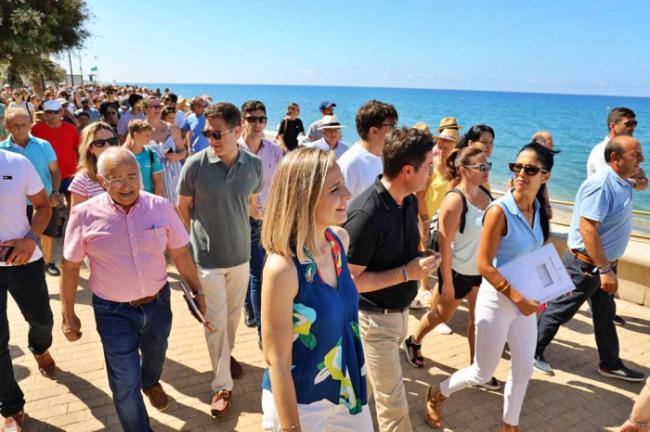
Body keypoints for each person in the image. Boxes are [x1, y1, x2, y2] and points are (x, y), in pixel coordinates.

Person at [60, 147, 205, 432]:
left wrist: (198, 293)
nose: (127, 185)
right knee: (124, 382)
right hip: (112, 312)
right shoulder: (83, 215)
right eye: (117, 179)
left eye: (132, 176)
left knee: (156, 354)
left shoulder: (160, 206)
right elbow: (70, 266)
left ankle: (150, 382)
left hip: (158, 304)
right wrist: (68, 314)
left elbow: (180, 254)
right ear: (102, 181)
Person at [425, 142, 555, 431]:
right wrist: (518, 298)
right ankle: (437, 393)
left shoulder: (537, 209)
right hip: (497, 300)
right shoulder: (500, 211)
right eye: (516, 167)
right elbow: (484, 264)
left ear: (545, 176)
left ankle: (509, 426)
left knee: (523, 371)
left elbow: (535, 255)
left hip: (524, 300)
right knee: (482, 372)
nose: (521, 173)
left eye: (530, 169)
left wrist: (550, 286)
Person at [260, 148, 372, 431]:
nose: (347, 194)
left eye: (344, 184)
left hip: (346, 390)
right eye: (335, 189)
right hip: (301, 402)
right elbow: (278, 362)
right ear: (304, 197)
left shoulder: (339, 242)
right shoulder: (283, 268)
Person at [344, 127, 440, 431]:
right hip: (373, 321)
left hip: (398, 318)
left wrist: (422, 261)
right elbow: (350, 280)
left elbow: (401, 251)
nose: (433, 171)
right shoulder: (365, 214)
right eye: (429, 166)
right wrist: (406, 273)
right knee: (393, 403)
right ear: (408, 171)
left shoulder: (408, 200)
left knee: (365, 390)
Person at [534, 136, 646, 382]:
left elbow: (637, 186)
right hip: (587, 266)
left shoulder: (621, 180)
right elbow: (588, 228)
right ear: (614, 158)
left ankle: (610, 363)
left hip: (602, 264)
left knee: (604, 315)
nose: (642, 159)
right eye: (635, 155)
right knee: (559, 310)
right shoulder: (602, 184)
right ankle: (532, 350)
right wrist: (605, 269)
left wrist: (639, 179)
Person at [177, 102, 262, 417]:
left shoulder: (253, 165)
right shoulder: (195, 165)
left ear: (237, 130)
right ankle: (222, 386)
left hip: (241, 257)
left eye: (216, 133)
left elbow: (251, 203)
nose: (210, 138)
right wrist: (180, 252)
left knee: (231, 319)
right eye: (206, 133)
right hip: (206, 261)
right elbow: (182, 209)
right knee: (214, 324)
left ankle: (225, 356)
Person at [405, 145, 501, 389]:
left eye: (487, 165)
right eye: (481, 167)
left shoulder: (486, 196)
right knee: (440, 315)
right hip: (456, 272)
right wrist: (447, 282)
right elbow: (445, 246)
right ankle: (414, 340)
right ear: (463, 170)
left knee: (479, 322)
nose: (486, 170)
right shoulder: (454, 200)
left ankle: (477, 369)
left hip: (480, 273)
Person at [0, 148, 54, 432]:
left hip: (25, 260)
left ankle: (40, 347)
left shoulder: (17, 163)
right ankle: (11, 409)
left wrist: (30, 238)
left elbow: (43, 206)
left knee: (42, 321)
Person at [237, 100, 283, 333]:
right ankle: (261, 329)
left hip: (268, 218)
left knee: (258, 269)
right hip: (239, 218)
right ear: (243, 121)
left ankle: (252, 311)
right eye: (252, 118)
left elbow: (282, 184)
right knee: (254, 270)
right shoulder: (233, 150)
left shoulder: (274, 151)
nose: (258, 123)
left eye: (262, 119)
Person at [1, 108, 63, 278]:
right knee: (22, 238)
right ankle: (24, 269)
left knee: (47, 234)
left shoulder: (43, 145)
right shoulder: (2, 151)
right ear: (7, 126)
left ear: (30, 124)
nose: (20, 129)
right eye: (15, 125)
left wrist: (56, 192)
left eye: (24, 124)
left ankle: (48, 263)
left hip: (45, 201)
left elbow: (55, 171)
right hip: (18, 206)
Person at [412, 122, 460, 334]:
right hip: (427, 220)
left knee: (441, 265)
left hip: (445, 224)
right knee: (426, 259)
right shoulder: (430, 163)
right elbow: (420, 195)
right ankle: (429, 304)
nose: (444, 145)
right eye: (441, 140)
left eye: (449, 142)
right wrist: (424, 219)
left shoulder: (455, 166)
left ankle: (434, 308)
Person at [338, 100, 398, 199]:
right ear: (374, 131)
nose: (395, 131)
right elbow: (341, 209)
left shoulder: (385, 157)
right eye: (391, 126)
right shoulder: (350, 164)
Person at [31, 99, 80, 207]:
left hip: (70, 173)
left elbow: (78, 149)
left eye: (55, 112)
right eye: (49, 112)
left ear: (61, 112)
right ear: (44, 113)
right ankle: (59, 221)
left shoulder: (71, 129)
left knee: (73, 205)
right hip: (47, 175)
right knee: (51, 207)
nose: (52, 115)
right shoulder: (35, 129)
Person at [142, 96, 185, 204]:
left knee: (176, 209)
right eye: (153, 106)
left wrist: (176, 156)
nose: (158, 109)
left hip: (172, 174)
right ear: (145, 109)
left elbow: (183, 151)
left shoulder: (173, 129)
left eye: (159, 106)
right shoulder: (138, 130)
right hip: (149, 175)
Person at [69, 122, 120, 207]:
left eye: (112, 141)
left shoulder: (129, 169)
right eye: (100, 143)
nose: (107, 146)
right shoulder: (81, 181)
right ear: (90, 148)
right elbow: (77, 218)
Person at [123, 120, 163, 196]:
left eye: (150, 135)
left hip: (148, 198)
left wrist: (157, 201)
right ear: (135, 135)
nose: (149, 138)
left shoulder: (151, 154)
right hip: (129, 198)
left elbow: (157, 181)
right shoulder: (124, 155)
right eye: (146, 135)